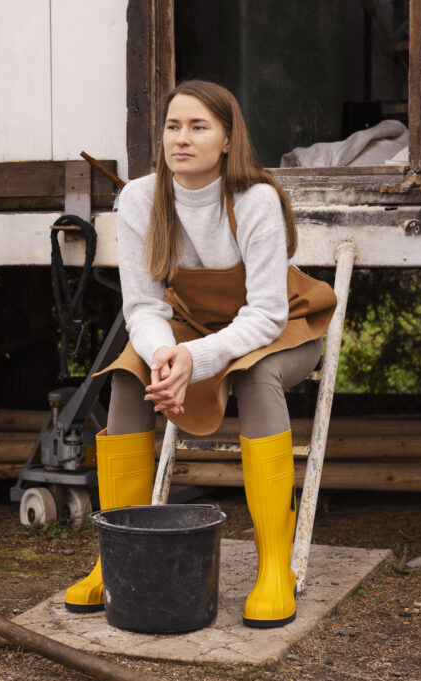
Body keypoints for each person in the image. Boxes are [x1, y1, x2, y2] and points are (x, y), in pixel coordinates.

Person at [63, 80, 336, 628]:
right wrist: (165, 354)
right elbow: (142, 306)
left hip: (281, 327)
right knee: (125, 375)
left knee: (257, 378)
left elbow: (264, 315)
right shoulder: (141, 197)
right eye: (172, 126)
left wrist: (197, 360)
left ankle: (275, 567)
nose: (180, 138)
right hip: (186, 326)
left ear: (229, 140)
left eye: (198, 126)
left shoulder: (256, 199)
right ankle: (114, 557)